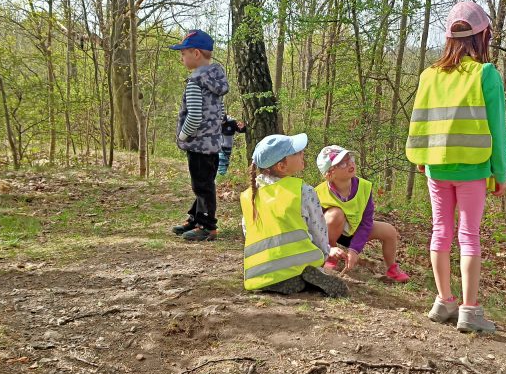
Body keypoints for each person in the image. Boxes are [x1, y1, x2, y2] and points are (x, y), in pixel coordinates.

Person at [405, 0, 506, 333]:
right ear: (483, 35)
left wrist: (422, 157)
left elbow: (420, 121)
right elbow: (497, 130)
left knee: (440, 231)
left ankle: (443, 300)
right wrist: (500, 173)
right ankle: (470, 310)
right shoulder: (485, 74)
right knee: (469, 236)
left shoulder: (429, 76)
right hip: (473, 169)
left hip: (436, 167)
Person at [241, 133, 349, 297]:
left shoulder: (248, 195)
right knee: (304, 267)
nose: (302, 153)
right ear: (281, 166)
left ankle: (281, 280)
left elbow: (248, 232)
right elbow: (318, 230)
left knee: (284, 275)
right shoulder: (302, 190)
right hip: (299, 261)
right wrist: (323, 257)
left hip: (258, 272)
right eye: (297, 153)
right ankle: (304, 274)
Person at [314, 145, 409, 282]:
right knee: (335, 214)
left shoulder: (364, 187)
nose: (350, 164)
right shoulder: (318, 193)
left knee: (389, 231)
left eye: (350, 159)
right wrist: (328, 247)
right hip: (332, 231)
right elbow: (315, 225)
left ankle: (392, 268)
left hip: (356, 229)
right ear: (329, 173)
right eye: (342, 163)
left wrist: (354, 250)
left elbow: (366, 222)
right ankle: (330, 255)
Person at [170, 29, 229, 241]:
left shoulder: (196, 81)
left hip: (197, 144)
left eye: (183, 53)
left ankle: (207, 226)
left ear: (196, 53)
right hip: (213, 143)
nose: (182, 58)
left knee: (202, 186)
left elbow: (194, 116)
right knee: (205, 183)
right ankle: (196, 218)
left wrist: (183, 136)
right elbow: (220, 112)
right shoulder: (216, 79)